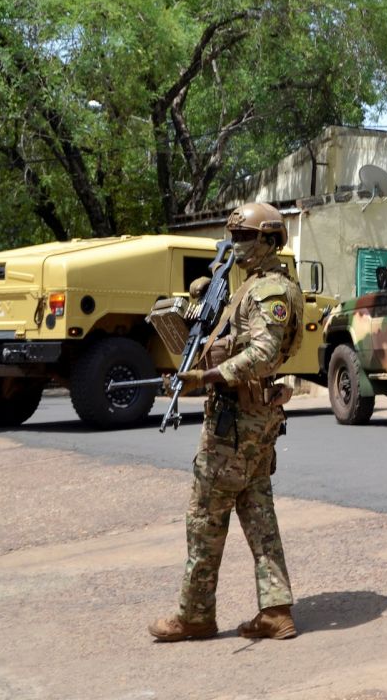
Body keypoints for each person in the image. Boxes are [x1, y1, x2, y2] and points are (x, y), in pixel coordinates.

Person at [148, 202, 305, 643]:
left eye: (244, 238)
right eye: (233, 238)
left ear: (270, 240)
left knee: (204, 515)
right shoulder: (256, 286)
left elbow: (264, 353)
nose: (235, 247)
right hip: (255, 420)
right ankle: (275, 610)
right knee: (257, 512)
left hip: (237, 422)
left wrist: (214, 374)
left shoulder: (268, 292)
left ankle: (195, 615)